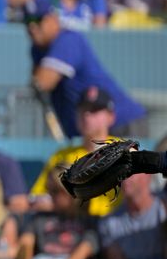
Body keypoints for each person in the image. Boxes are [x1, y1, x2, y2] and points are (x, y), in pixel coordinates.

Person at [25, 0, 148, 139]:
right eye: (27, 21)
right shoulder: (38, 49)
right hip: (90, 131)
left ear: (54, 18)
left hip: (121, 125)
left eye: (38, 19)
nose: (32, 27)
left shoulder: (67, 39)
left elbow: (42, 83)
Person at [13, 167, 112, 259]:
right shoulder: (39, 218)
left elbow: (84, 251)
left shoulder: (88, 222)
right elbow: (25, 244)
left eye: (55, 191)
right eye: (49, 191)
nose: (51, 196)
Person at [29, 86, 123, 216]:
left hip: (113, 226)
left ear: (111, 116)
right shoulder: (62, 155)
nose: (87, 115)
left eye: (94, 110)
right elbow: (37, 196)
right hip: (71, 227)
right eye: (83, 109)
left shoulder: (125, 151)